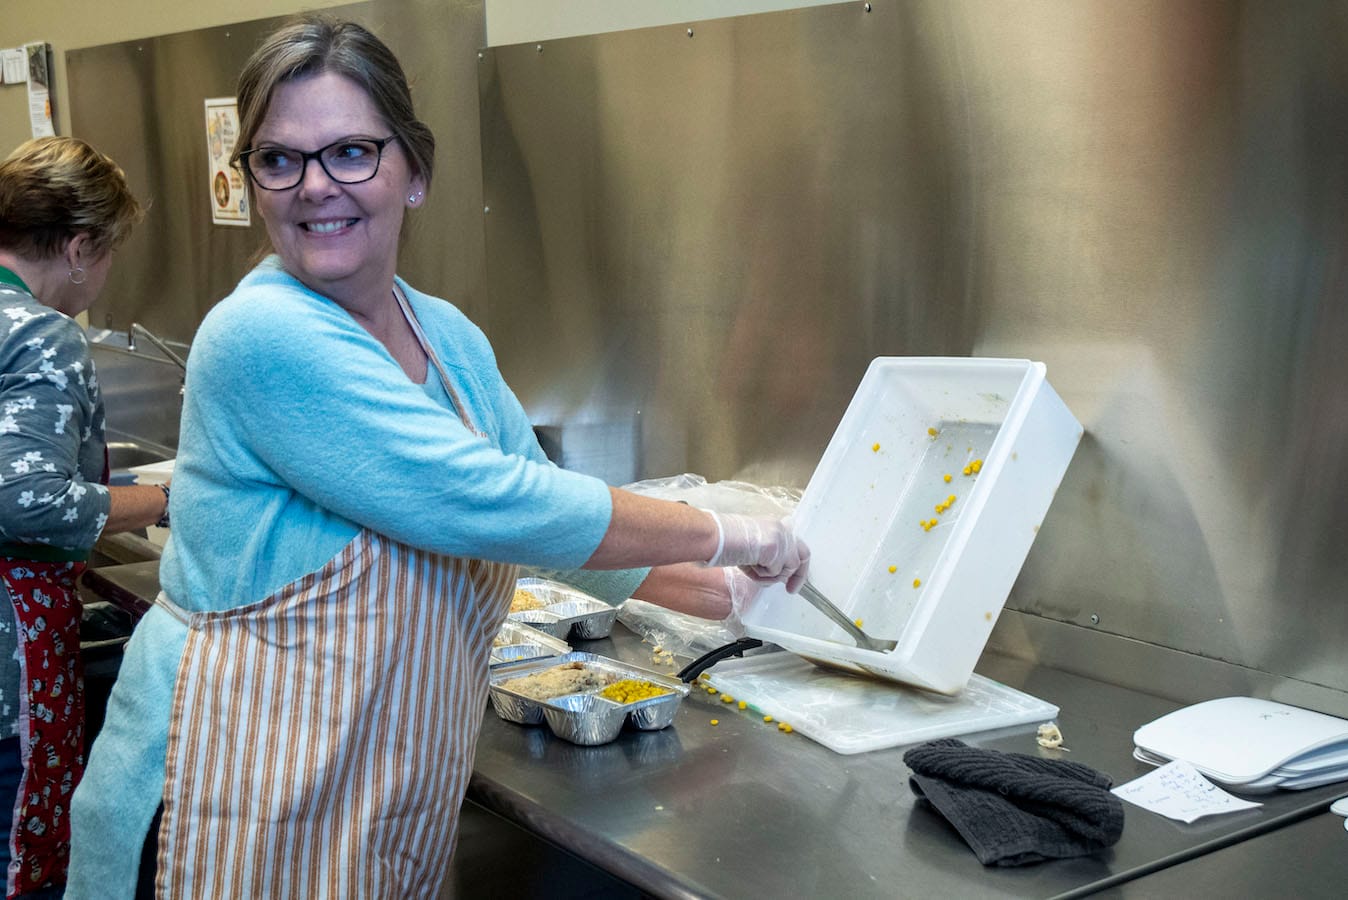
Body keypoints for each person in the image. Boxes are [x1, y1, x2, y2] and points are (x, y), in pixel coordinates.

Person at [68, 16, 808, 899]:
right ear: (252, 180)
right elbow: (491, 501)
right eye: (280, 159)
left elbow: (548, 515)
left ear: (413, 172)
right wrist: (735, 533)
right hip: (224, 791)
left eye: (351, 152)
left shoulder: (445, 337)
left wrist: (739, 601)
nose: (315, 187)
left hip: (364, 803)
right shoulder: (261, 334)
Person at [0, 136, 163, 898]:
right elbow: (29, 500)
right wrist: (169, 498)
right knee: (15, 857)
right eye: (108, 253)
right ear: (77, 246)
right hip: (9, 657)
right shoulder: (39, 333)